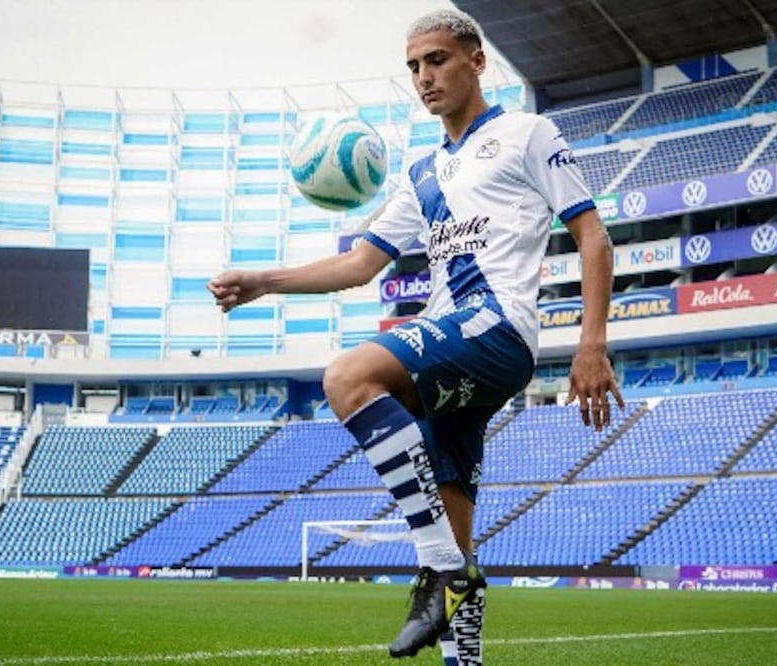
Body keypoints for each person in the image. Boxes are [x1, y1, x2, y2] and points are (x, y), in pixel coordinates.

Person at [209, 8, 624, 661]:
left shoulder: (526, 134)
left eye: (436, 60)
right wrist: (267, 280)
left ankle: (434, 568)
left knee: (348, 376)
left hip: (495, 326)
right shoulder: (422, 175)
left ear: (476, 61)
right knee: (459, 532)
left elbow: (592, 234)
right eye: (413, 67)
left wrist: (591, 344)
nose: (423, 77)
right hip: (448, 341)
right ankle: (460, 633)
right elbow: (359, 263)